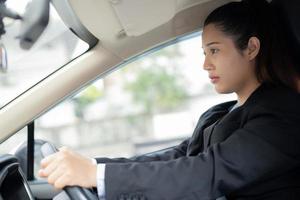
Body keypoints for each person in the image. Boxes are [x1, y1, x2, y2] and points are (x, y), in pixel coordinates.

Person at [39, 0, 300, 199]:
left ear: (251, 48)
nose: (206, 64)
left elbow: (206, 171)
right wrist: (93, 166)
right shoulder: (221, 112)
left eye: (215, 50)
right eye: (204, 52)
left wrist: (94, 174)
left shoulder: (283, 114)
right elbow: (178, 156)